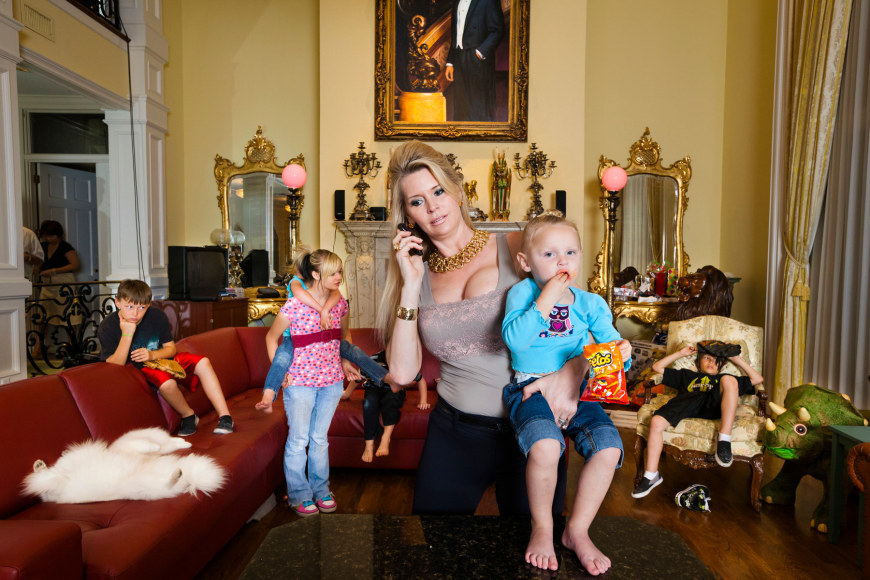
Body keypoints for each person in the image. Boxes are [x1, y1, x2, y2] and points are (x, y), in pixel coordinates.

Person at [376, 141, 614, 576]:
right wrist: (410, 285)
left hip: (534, 431)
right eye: (417, 201)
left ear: (458, 191)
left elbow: (582, 317)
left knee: (534, 562)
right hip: (456, 434)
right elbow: (403, 371)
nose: (433, 206)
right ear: (407, 215)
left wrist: (573, 370)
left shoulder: (518, 247)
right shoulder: (413, 273)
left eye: (438, 191)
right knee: (433, 554)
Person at [501, 213, 631, 572]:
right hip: (529, 388)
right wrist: (547, 298)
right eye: (549, 254)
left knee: (609, 447)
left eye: (571, 253)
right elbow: (515, 340)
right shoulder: (522, 293)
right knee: (546, 446)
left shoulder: (591, 304)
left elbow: (611, 355)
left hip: (579, 390)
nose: (562, 261)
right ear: (525, 262)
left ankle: (577, 530)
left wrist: (622, 352)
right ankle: (543, 527)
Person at [265, 248, 354, 517]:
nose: (339, 277)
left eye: (340, 271)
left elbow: (345, 336)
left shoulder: (340, 304)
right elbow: (271, 338)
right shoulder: (294, 305)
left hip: (332, 381)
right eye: (333, 273)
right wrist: (281, 373)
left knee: (319, 439)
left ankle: (321, 490)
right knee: (299, 439)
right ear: (315, 275)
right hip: (300, 382)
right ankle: (299, 496)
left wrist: (346, 362)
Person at [98, 279, 234, 436]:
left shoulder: (156, 316)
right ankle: (188, 416)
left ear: (148, 305)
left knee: (204, 362)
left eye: (142, 307)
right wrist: (127, 333)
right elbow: (117, 364)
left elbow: (171, 349)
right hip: (141, 368)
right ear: (117, 302)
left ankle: (225, 417)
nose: (135, 313)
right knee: (167, 384)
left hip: (161, 359)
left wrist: (152, 354)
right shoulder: (108, 326)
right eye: (129, 307)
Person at [632, 341, 764, 499]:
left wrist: (736, 359)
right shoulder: (687, 375)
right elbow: (657, 367)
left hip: (714, 404)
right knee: (656, 421)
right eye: (707, 358)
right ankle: (651, 475)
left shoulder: (723, 379)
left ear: (720, 366)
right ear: (698, 362)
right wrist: (680, 353)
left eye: (716, 360)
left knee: (729, 380)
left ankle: (724, 440)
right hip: (686, 403)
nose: (711, 362)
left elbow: (757, 379)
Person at [255, 275, 391, 413]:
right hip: (293, 338)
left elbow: (337, 294)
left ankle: (385, 376)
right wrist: (322, 310)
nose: (337, 276)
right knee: (281, 359)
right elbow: (299, 293)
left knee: (354, 350)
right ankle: (268, 396)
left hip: (327, 340)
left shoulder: (331, 290)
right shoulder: (297, 282)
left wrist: (326, 309)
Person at [341, 351, 430, 462]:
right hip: (373, 388)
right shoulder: (373, 360)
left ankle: (386, 438)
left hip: (394, 389)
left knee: (391, 401)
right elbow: (357, 378)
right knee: (369, 404)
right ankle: (369, 444)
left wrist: (423, 401)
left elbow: (420, 380)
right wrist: (347, 394)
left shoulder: (404, 363)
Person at [445, 0, 505, 122]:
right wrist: (450, 62)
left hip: (477, 60)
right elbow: (455, 34)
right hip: (459, 57)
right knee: (461, 107)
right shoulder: (457, 2)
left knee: (478, 108)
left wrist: (479, 53)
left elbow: (498, 30)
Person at [37, 220, 81, 326]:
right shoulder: (43, 246)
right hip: (47, 284)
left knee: (68, 313)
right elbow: (39, 262)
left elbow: (75, 264)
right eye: (46, 236)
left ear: (58, 235)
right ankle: (39, 337)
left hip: (64, 282)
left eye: (51, 236)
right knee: (43, 312)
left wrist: (53, 271)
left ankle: (72, 336)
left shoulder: (65, 247)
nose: (48, 238)